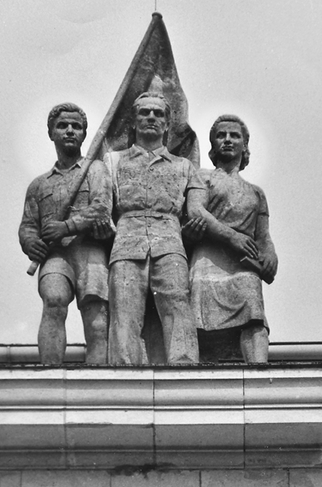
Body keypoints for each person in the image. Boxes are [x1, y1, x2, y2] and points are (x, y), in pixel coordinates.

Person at [104, 92, 206, 365]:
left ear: (167, 124)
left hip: (169, 242)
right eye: (144, 112)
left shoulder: (185, 166)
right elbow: (102, 207)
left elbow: (197, 210)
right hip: (127, 241)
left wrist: (197, 224)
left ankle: (184, 369)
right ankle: (124, 373)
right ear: (134, 122)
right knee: (124, 311)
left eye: (158, 113)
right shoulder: (112, 162)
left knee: (177, 305)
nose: (151, 117)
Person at [19, 103, 112, 365]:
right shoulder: (39, 184)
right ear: (51, 133)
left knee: (96, 316)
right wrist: (31, 243)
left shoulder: (95, 170)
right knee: (54, 300)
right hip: (56, 255)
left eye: (76, 126)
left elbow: (102, 207)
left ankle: (99, 378)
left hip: (89, 251)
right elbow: (28, 224)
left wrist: (68, 226)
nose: (70, 131)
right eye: (63, 126)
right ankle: (50, 371)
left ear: (84, 134)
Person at [187, 114, 278, 364]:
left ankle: (259, 371)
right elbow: (196, 211)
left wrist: (270, 254)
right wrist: (231, 236)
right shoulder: (203, 178)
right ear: (213, 144)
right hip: (207, 262)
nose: (227, 140)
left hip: (243, 266)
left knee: (254, 315)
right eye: (221, 135)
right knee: (198, 323)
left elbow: (263, 236)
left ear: (244, 145)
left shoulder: (256, 193)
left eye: (234, 136)